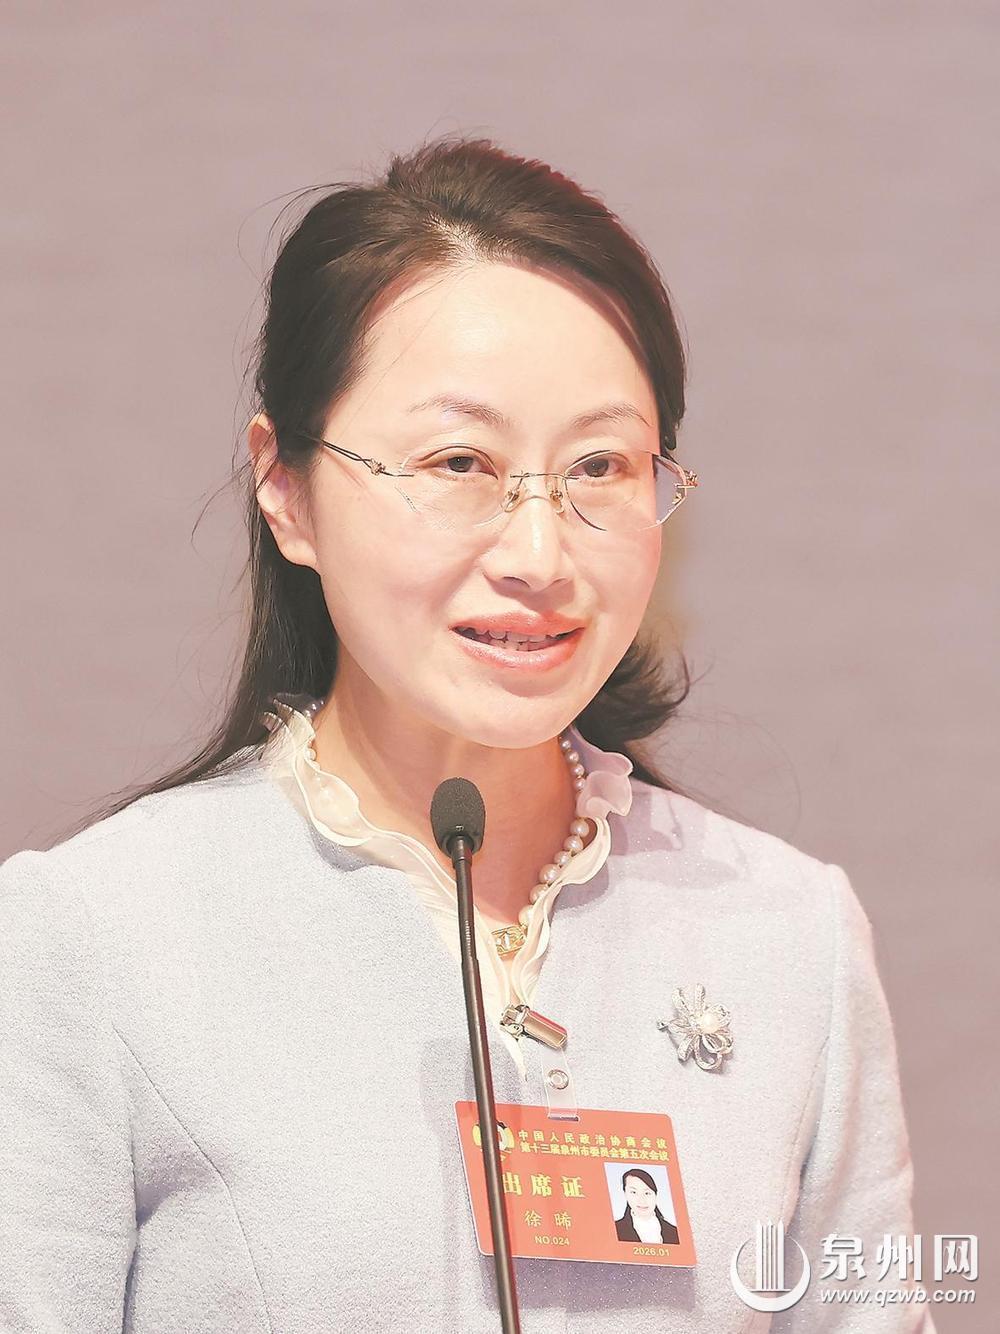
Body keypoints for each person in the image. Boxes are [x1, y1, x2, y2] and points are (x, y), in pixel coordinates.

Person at [0, 135, 934, 1332]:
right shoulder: (91, 939)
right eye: (458, 461)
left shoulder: (788, 931)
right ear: (286, 486)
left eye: (599, 466)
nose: (539, 554)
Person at [614, 1168, 680, 1245]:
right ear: (625, 1194)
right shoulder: (615, 1230)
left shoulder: (674, 1232)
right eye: (634, 1192)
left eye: (647, 1193)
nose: (641, 1200)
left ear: (655, 1195)